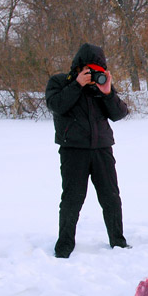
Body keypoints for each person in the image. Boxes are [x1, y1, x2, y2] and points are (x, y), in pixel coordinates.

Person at [46, 43, 130, 258]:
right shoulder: (60, 82)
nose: (92, 74)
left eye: (96, 69)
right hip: (73, 150)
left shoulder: (101, 85)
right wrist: (76, 84)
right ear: (79, 67)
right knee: (72, 199)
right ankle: (64, 246)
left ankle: (118, 242)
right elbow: (56, 105)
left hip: (102, 149)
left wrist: (107, 92)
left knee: (111, 197)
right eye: (88, 69)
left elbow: (119, 114)